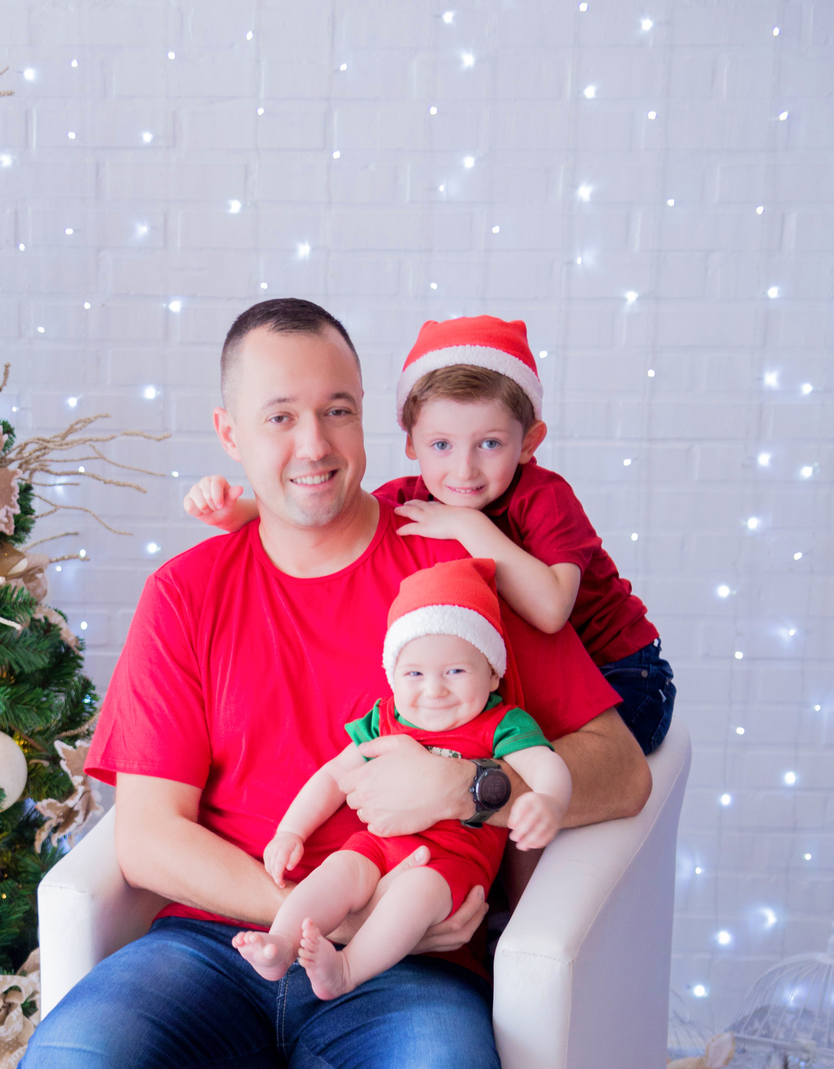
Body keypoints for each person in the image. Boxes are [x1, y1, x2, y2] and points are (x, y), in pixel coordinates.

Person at [12, 297, 651, 1069]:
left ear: (371, 423)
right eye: (281, 417)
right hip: (219, 949)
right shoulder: (192, 591)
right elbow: (149, 839)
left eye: (339, 411)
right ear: (230, 434)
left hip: (407, 967)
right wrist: (307, 913)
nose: (314, 444)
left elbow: (617, 766)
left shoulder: (448, 570)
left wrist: (470, 793)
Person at [184, 314, 676, 757]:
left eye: (490, 443)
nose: (463, 470)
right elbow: (325, 507)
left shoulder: (545, 499)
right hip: (542, 676)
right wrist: (236, 511)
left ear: (529, 442)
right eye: (441, 444)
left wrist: (466, 525)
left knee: (524, 768)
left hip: (625, 673)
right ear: (410, 443)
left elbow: (550, 611)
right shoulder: (416, 496)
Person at [235, 558, 572, 1001]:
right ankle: (281, 943)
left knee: (415, 891)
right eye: (414, 673)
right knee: (338, 870)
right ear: (393, 676)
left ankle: (348, 969)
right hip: (378, 845)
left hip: (450, 864)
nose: (434, 689)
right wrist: (291, 831)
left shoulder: (500, 724)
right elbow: (334, 774)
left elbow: (546, 765)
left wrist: (549, 800)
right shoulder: (387, 719)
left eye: (455, 671)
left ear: (493, 673)